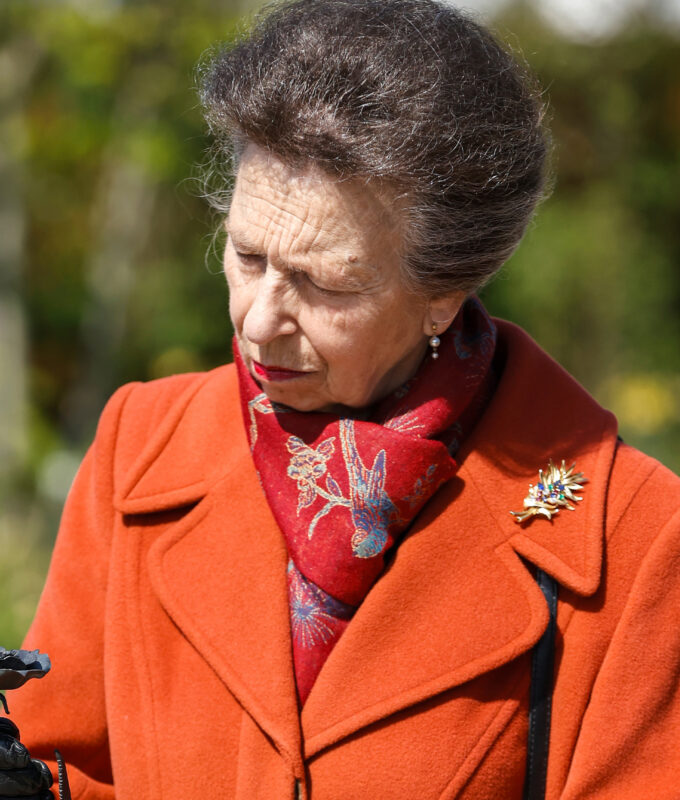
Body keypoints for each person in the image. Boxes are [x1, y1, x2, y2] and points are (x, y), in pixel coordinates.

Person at [3, 0, 680, 798]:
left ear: (445, 293)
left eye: (322, 285)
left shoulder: (635, 534)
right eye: (247, 255)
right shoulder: (140, 445)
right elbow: (67, 766)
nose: (257, 320)